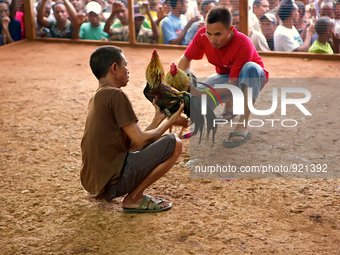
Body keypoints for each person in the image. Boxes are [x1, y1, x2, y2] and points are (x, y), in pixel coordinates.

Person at [81, 45, 186, 213]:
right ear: (114, 68)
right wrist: (170, 123)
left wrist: (158, 119)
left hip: (96, 183)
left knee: (146, 146)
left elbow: (131, 143)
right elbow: (141, 140)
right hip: (114, 182)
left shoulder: (97, 97)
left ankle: (124, 192)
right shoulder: (116, 95)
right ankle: (134, 198)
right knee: (175, 143)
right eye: (126, 65)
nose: (128, 70)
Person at [178, 6, 268, 148]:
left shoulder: (243, 43)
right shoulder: (202, 35)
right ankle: (229, 108)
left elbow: (233, 84)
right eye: (209, 33)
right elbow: (185, 59)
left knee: (249, 68)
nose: (212, 39)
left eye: (218, 34)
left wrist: (202, 92)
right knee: (196, 98)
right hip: (226, 76)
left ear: (230, 29)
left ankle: (242, 125)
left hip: (251, 78)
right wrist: (181, 81)